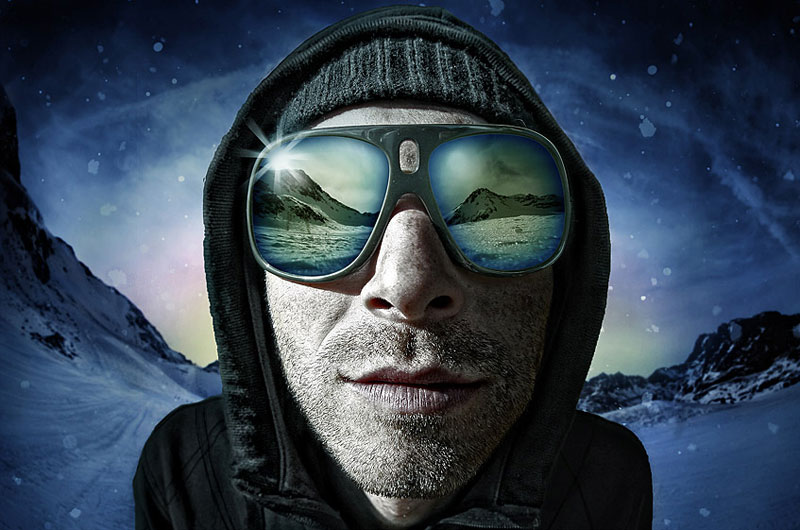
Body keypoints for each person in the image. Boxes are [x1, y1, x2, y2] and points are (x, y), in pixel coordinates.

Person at [134, 6, 652, 529]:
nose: (408, 285)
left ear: (567, 271)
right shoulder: (183, 471)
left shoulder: (609, 480)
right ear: (250, 272)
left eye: (482, 215)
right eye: (292, 213)